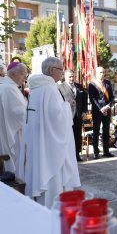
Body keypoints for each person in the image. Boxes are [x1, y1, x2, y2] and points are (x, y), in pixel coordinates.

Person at [24, 57, 80, 208]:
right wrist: (67, 106)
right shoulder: (50, 89)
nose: (62, 73)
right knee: (53, 181)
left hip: (39, 140)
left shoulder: (35, 89)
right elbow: (57, 119)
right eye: (60, 70)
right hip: (50, 146)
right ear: (51, 70)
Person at [0, 62, 28, 179]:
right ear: (14, 74)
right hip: (12, 134)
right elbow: (19, 114)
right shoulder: (8, 89)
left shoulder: (6, 86)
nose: (25, 78)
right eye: (23, 75)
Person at [58, 70, 88, 162]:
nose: (72, 78)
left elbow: (84, 100)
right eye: (69, 77)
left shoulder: (79, 86)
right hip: (66, 115)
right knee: (66, 136)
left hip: (77, 115)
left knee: (77, 136)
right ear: (65, 77)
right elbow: (58, 101)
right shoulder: (59, 87)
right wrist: (67, 104)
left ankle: (77, 154)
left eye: (73, 76)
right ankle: (66, 155)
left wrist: (84, 111)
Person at [88, 67, 115, 159]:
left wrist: (108, 107)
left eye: (103, 72)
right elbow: (93, 98)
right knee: (96, 131)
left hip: (107, 110)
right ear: (96, 73)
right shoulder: (92, 84)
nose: (102, 74)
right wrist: (101, 109)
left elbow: (112, 97)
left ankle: (106, 151)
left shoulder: (107, 83)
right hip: (97, 111)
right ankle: (96, 152)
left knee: (106, 131)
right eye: (100, 72)